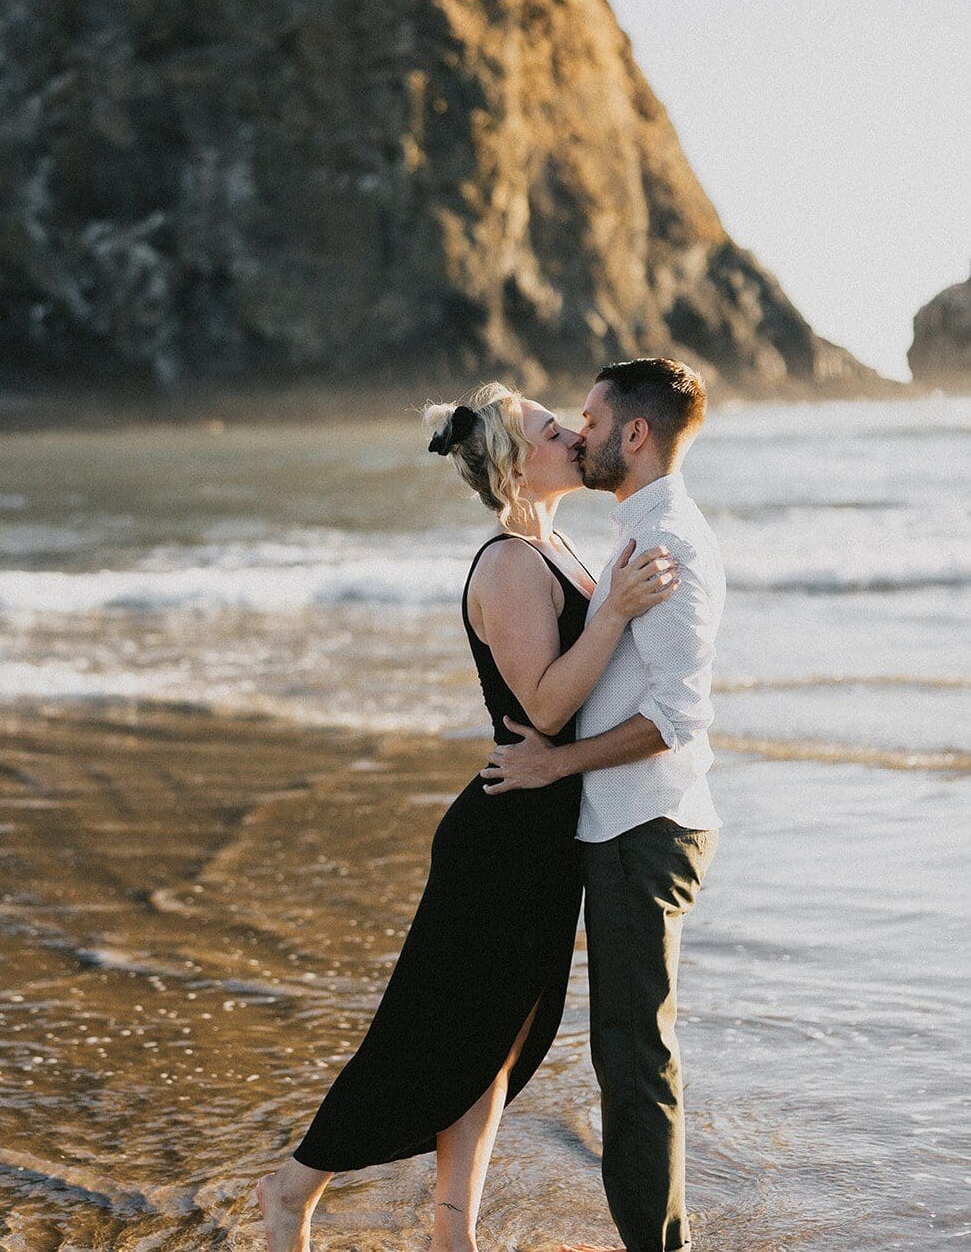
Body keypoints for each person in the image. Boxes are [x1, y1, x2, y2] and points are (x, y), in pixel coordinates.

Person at [251, 380, 680, 1252]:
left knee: (493, 1048)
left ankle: (454, 1236)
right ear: (519, 463)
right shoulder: (510, 563)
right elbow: (550, 704)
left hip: (542, 833)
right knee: (422, 1040)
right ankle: (290, 1190)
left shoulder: (555, 545)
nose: (573, 433)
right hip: (502, 841)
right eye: (553, 429)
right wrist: (621, 612)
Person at [483, 359, 725, 1252]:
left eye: (587, 419)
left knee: (632, 1059)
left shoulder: (667, 546)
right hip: (624, 824)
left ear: (634, 434)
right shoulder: (630, 532)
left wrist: (557, 766)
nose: (577, 434)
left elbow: (676, 716)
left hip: (644, 827)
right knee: (625, 1052)